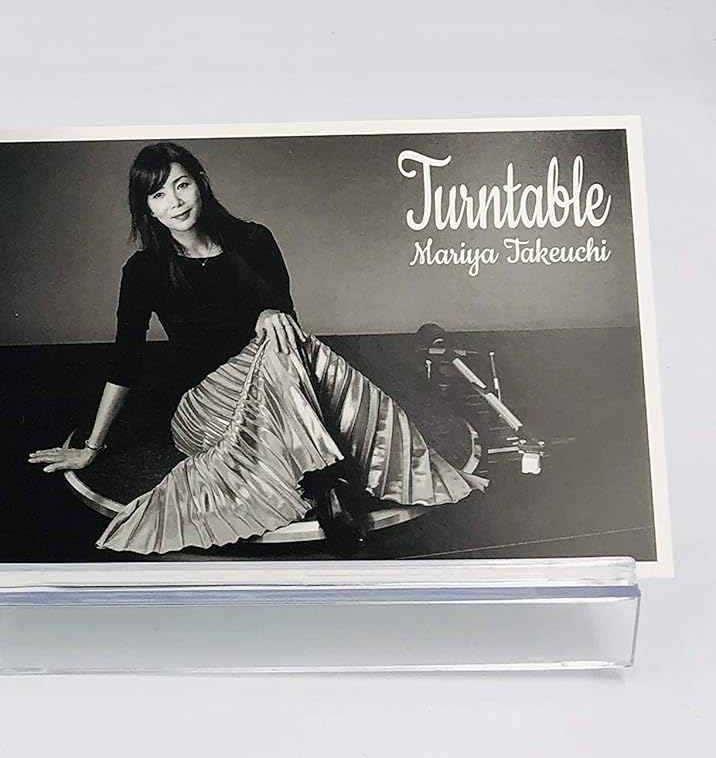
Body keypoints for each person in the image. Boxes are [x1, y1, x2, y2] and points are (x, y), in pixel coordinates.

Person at [29, 141, 481, 553]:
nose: (176, 202)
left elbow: (289, 330)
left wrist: (267, 313)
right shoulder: (144, 270)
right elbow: (125, 361)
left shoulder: (253, 240)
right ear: (146, 207)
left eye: (182, 185)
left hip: (278, 388)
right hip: (206, 407)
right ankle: (329, 483)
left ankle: (324, 484)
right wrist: (92, 447)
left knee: (286, 338)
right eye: (159, 194)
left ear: (200, 183)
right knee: (280, 348)